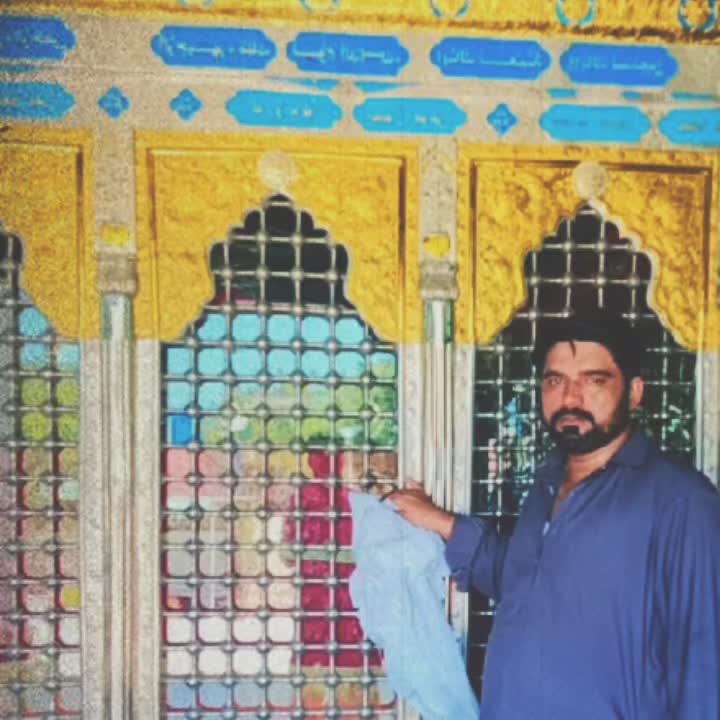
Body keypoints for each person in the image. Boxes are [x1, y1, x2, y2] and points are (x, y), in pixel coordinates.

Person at [389, 308, 720, 719]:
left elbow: (705, 667)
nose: (570, 398)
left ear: (634, 393)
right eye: (555, 381)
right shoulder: (548, 482)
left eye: (594, 380)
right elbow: (527, 581)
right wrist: (440, 522)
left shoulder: (681, 501)